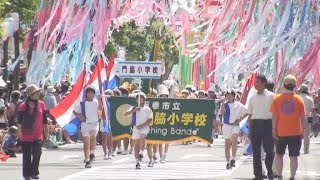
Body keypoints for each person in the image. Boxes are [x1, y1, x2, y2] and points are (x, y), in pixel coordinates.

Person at [270, 75, 305, 180]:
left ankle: (280, 175)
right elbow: (302, 117)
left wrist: (273, 129)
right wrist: (302, 131)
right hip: (295, 132)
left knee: (279, 154)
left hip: (280, 131)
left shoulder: (277, 98)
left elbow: (275, 116)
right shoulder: (299, 99)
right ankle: (292, 176)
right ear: (295, 86)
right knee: (294, 156)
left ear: (284, 85)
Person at [17, 84, 49, 180]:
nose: (38, 94)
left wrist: (46, 131)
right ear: (31, 95)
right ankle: (26, 174)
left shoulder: (42, 104)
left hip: (38, 134)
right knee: (26, 155)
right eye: (36, 93)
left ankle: (34, 172)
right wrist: (19, 132)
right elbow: (19, 121)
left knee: (37, 153)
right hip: (26, 134)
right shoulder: (23, 106)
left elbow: (45, 119)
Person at [248, 75, 274, 180]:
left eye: (257, 82)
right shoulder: (252, 97)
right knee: (256, 151)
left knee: (270, 150)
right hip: (255, 124)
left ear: (264, 83)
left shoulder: (272, 96)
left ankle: (270, 171)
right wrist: (250, 130)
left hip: (268, 124)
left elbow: (276, 113)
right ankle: (258, 174)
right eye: (255, 82)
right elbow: (250, 115)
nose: (255, 84)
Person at [73, 85, 102, 168]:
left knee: (93, 137)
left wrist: (100, 100)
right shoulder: (82, 103)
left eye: (92, 92)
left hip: (94, 123)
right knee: (86, 143)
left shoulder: (96, 102)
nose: (90, 94)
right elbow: (74, 111)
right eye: (88, 92)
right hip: (85, 125)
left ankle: (92, 152)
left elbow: (100, 109)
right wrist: (80, 116)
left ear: (93, 93)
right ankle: (87, 159)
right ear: (86, 94)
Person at [219, 89, 248, 170]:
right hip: (226, 126)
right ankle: (228, 162)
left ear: (234, 96)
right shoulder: (224, 104)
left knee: (234, 141)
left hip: (235, 126)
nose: (229, 96)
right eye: (227, 95)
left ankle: (233, 159)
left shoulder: (238, 105)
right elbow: (222, 113)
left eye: (231, 95)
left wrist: (239, 120)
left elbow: (248, 112)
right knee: (227, 144)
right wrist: (222, 104)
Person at [124, 92, 153, 169]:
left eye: (141, 98)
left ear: (144, 100)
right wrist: (133, 111)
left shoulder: (148, 109)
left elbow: (150, 120)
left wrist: (142, 126)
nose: (139, 100)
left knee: (143, 137)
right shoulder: (134, 108)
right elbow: (125, 114)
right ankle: (137, 162)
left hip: (145, 128)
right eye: (138, 98)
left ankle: (142, 152)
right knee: (136, 145)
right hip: (136, 128)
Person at [298, 84, 316, 154]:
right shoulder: (310, 99)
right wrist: (314, 119)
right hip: (307, 118)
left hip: (298, 119)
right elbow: (313, 110)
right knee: (306, 135)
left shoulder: (297, 98)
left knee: (298, 135)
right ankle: (306, 150)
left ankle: (297, 150)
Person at [100, 89, 113, 160]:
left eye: (108, 94)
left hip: (110, 121)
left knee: (109, 137)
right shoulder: (102, 102)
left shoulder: (113, 103)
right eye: (105, 94)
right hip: (103, 120)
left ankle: (110, 152)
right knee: (104, 137)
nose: (106, 95)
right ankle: (105, 153)